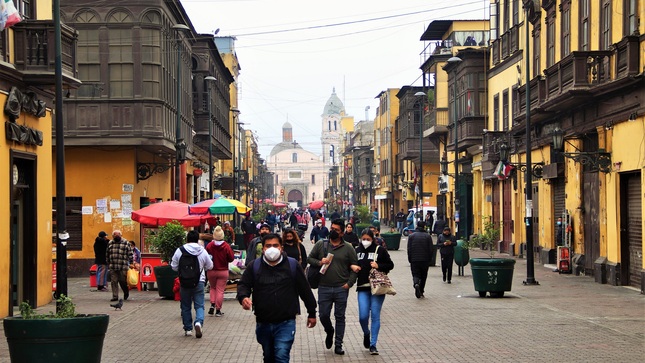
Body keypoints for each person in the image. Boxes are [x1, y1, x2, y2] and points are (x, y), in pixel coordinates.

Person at [237, 233, 317, 363]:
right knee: (268, 356)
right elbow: (243, 284)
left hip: (286, 322)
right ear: (263, 248)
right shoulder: (255, 266)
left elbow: (305, 290)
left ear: (281, 248)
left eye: (275, 245)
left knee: (281, 355)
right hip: (263, 321)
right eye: (268, 246)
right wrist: (243, 297)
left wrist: (312, 313)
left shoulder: (292, 265)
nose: (272, 248)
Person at [307, 219, 358, 355]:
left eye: (336, 230)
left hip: (341, 288)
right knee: (323, 315)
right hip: (324, 287)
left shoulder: (348, 248)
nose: (333, 231)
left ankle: (338, 345)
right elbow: (309, 259)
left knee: (340, 316)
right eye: (332, 229)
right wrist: (319, 262)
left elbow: (355, 267)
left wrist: (349, 284)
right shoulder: (321, 244)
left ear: (341, 233)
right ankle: (329, 331)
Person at [354, 228, 394, 355]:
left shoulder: (379, 250)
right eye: (363, 239)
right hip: (362, 287)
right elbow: (350, 264)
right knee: (363, 316)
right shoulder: (356, 250)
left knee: (375, 315)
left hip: (377, 288)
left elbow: (390, 265)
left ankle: (373, 344)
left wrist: (379, 266)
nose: (365, 241)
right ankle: (366, 333)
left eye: (368, 239)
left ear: (373, 239)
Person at [171, 230, 213, 338]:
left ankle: (188, 329)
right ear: (197, 239)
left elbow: (173, 266)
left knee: (185, 305)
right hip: (199, 281)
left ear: (187, 239)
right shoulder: (202, 251)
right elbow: (210, 266)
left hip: (184, 281)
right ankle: (198, 322)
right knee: (199, 305)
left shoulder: (180, 251)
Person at [206, 226, 234, 316]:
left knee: (212, 288)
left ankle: (212, 304)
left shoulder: (209, 245)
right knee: (220, 290)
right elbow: (231, 258)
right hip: (223, 271)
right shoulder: (226, 246)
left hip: (211, 270)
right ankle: (218, 310)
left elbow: (206, 257)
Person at [406, 221, 433, 298]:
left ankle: (416, 283)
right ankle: (421, 290)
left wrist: (410, 258)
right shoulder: (427, 236)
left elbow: (409, 249)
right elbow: (431, 249)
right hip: (425, 260)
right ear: (424, 226)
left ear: (417, 226)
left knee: (415, 274)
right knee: (424, 275)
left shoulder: (411, 236)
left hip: (414, 259)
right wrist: (430, 259)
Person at [106, 230, 133, 302]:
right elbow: (107, 253)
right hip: (113, 266)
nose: (116, 236)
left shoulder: (126, 243)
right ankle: (115, 296)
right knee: (114, 281)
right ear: (113, 236)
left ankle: (126, 292)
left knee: (122, 281)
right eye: (115, 235)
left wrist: (131, 262)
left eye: (118, 235)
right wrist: (108, 262)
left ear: (121, 235)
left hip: (122, 266)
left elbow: (130, 253)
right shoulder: (110, 243)